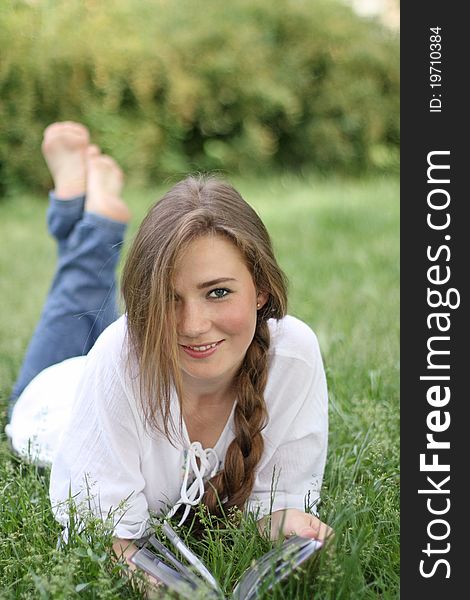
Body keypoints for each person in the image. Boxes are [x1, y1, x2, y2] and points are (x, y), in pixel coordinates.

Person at [5, 121, 330, 574]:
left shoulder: (291, 354)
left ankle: (82, 204)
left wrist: (293, 526)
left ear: (260, 288)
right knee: (74, 304)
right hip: (55, 398)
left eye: (218, 292)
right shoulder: (118, 355)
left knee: (91, 313)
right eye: (167, 298)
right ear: (144, 303)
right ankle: (89, 213)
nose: (194, 326)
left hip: (118, 364)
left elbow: (278, 501)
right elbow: (105, 534)